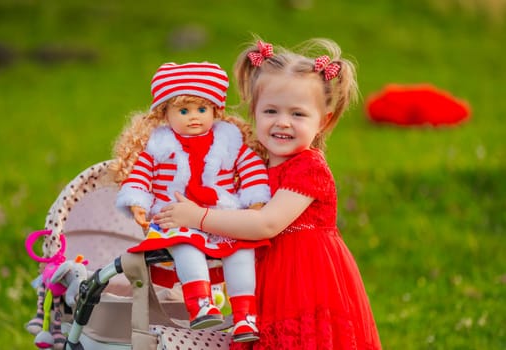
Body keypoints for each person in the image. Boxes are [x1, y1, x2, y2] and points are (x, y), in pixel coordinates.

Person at [154, 39, 383, 349]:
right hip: (269, 278)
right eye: (271, 110)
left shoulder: (308, 168)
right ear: (255, 112)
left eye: (298, 114)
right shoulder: (254, 165)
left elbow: (266, 224)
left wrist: (200, 217)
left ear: (323, 121)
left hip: (307, 283)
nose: (282, 122)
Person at [111, 61, 271, 342]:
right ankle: (200, 303)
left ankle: (245, 314)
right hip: (175, 215)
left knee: (242, 250)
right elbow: (140, 174)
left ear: (215, 110)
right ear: (165, 113)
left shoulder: (229, 142)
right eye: (183, 111)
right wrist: (138, 201)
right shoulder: (159, 146)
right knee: (185, 244)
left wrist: (256, 198)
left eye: (202, 109)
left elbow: (252, 168)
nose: (193, 117)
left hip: (222, 215)